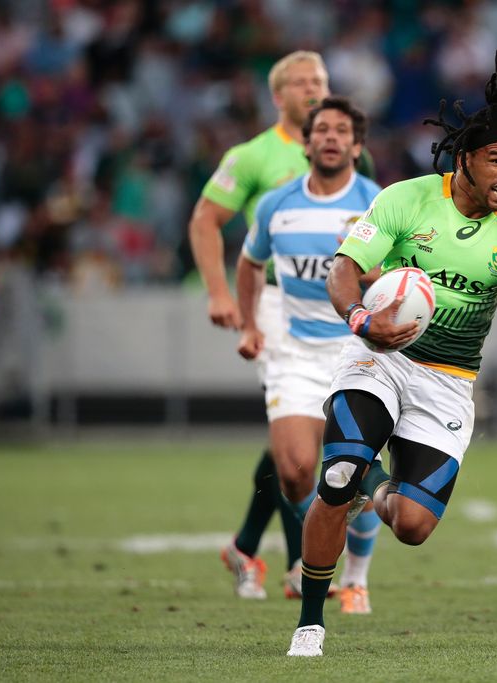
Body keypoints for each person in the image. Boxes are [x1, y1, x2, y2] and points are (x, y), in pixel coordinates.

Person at [286, 51, 497, 657]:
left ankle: (378, 484)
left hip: (448, 380)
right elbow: (344, 269)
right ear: (464, 157)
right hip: (378, 357)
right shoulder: (407, 200)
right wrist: (359, 316)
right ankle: (310, 622)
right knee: (338, 472)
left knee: (412, 527)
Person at [188, 51, 379, 608]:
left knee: (310, 444)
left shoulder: (352, 163)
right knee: (294, 446)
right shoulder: (253, 156)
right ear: (278, 96)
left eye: (320, 80)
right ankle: (301, 557)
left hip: (344, 304)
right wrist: (221, 294)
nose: (313, 89)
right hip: (277, 302)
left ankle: (254, 546)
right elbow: (205, 219)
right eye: (300, 83)